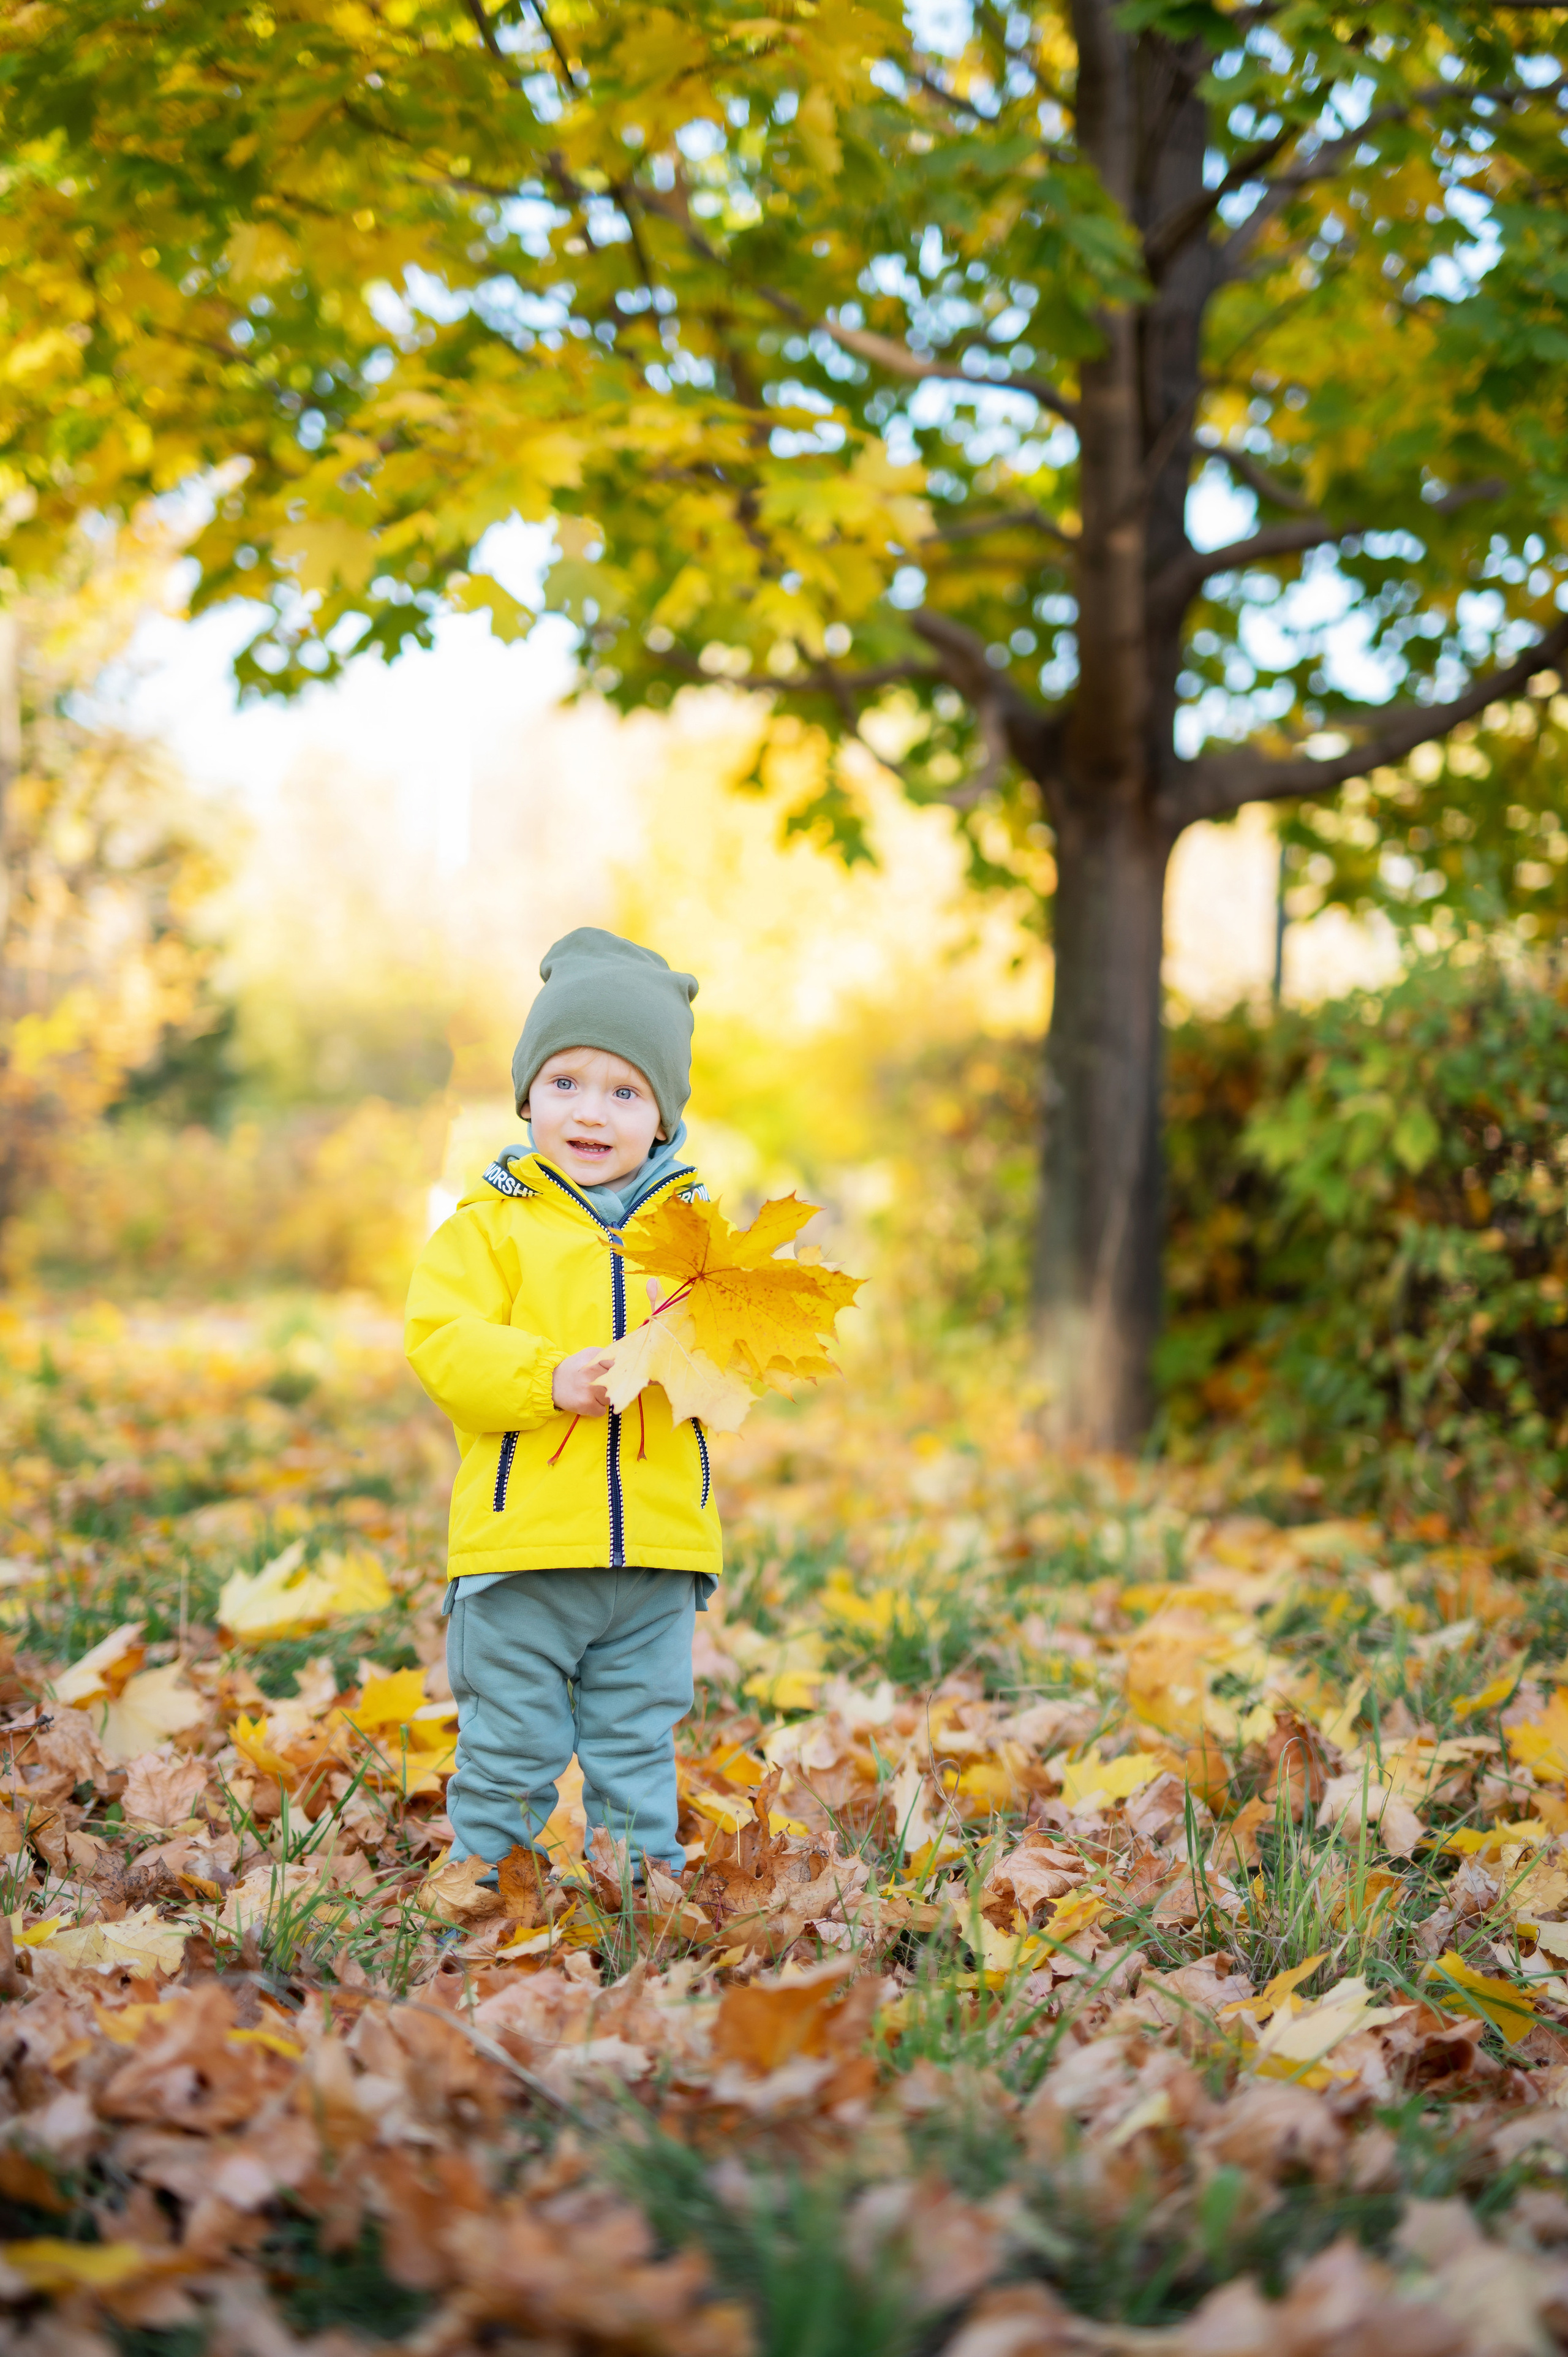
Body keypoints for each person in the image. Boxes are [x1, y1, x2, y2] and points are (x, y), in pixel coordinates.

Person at [404, 926, 719, 1882]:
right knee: (511, 1744)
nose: (593, 1112)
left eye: (627, 1092)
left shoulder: (695, 1236)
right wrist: (547, 1376)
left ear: (662, 1118)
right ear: (528, 1095)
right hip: (525, 1553)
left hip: (657, 1554)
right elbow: (441, 1342)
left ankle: (643, 1888)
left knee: (637, 1743)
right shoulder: (491, 1226)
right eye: (566, 1083)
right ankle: (483, 1885)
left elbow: (728, 1364)